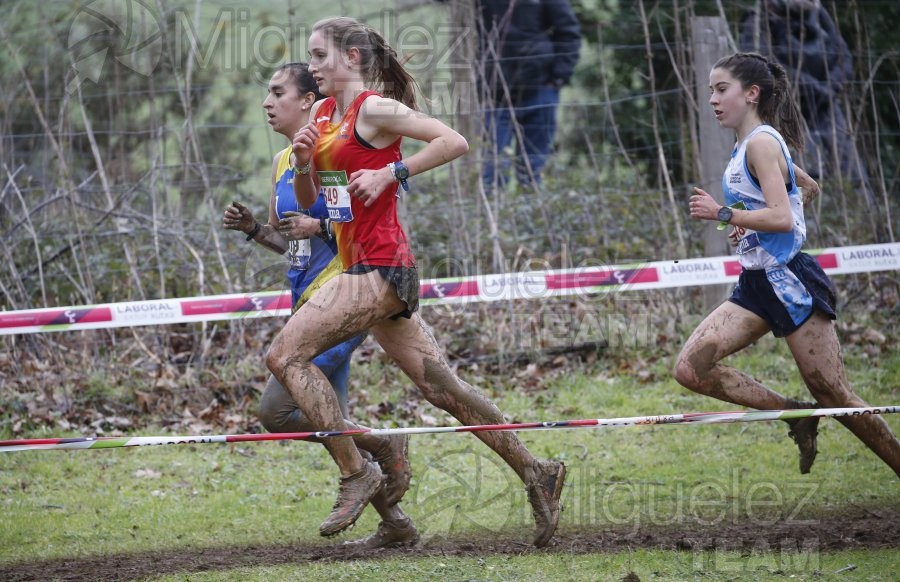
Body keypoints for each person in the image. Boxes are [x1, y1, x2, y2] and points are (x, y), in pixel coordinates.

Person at [265, 16, 566, 548]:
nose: (311, 68)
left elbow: (455, 140)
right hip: (363, 265)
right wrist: (308, 162)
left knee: (285, 357)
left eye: (319, 56)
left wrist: (393, 173)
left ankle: (357, 471)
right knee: (441, 389)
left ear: (352, 58)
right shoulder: (325, 114)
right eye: (308, 58)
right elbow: (321, 204)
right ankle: (536, 470)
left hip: (381, 267)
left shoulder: (375, 109)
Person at [674, 52, 900, 477]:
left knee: (835, 394)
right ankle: (796, 415)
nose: (713, 100)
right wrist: (751, 228)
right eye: (710, 92)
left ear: (752, 93)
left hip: (791, 282)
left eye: (721, 90)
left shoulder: (760, 141)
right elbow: (806, 189)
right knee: (691, 368)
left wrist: (726, 215)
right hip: (757, 285)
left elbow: (782, 215)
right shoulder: (748, 144)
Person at [224, 62, 417, 550]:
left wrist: (320, 228)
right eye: (266, 93)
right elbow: (290, 242)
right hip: (304, 302)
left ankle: (381, 444)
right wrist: (254, 231)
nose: (267, 102)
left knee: (277, 411)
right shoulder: (283, 162)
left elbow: (345, 222)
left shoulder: (328, 158)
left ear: (307, 101)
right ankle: (397, 525)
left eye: (277, 93)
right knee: (333, 427)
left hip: (344, 294)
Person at [476, 0, 582, 188]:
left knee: (532, 171)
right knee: (493, 171)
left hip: (540, 88)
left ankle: (532, 212)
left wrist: (558, 77)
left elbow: (568, 32)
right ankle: (491, 214)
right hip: (494, 93)